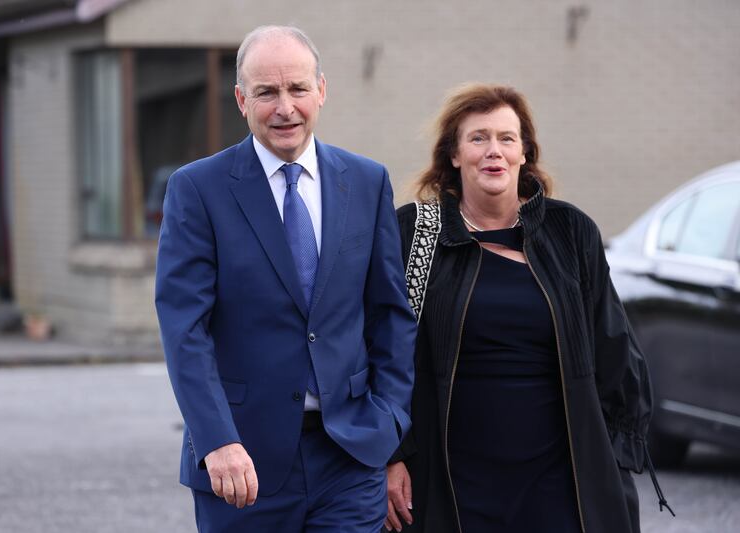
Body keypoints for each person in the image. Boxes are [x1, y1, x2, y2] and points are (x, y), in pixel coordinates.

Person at [155, 25, 416, 532]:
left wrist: (388, 426)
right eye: (266, 92)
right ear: (240, 99)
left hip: (349, 455)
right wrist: (217, 440)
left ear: (321, 89)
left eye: (297, 89)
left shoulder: (367, 181)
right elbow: (184, 329)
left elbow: (390, 315)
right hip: (241, 463)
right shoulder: (197, 189)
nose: (284, 107)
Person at [384, 84, 671, 533]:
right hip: (450, 478)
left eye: (506, 138)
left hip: (560, 476)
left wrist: (612, 459)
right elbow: (380, 350)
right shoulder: (415, 234)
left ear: (524, 153)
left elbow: (613, 347)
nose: (493, 151)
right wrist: (392, 456)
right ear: (454, 156)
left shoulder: (570, 232)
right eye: (477, 138)